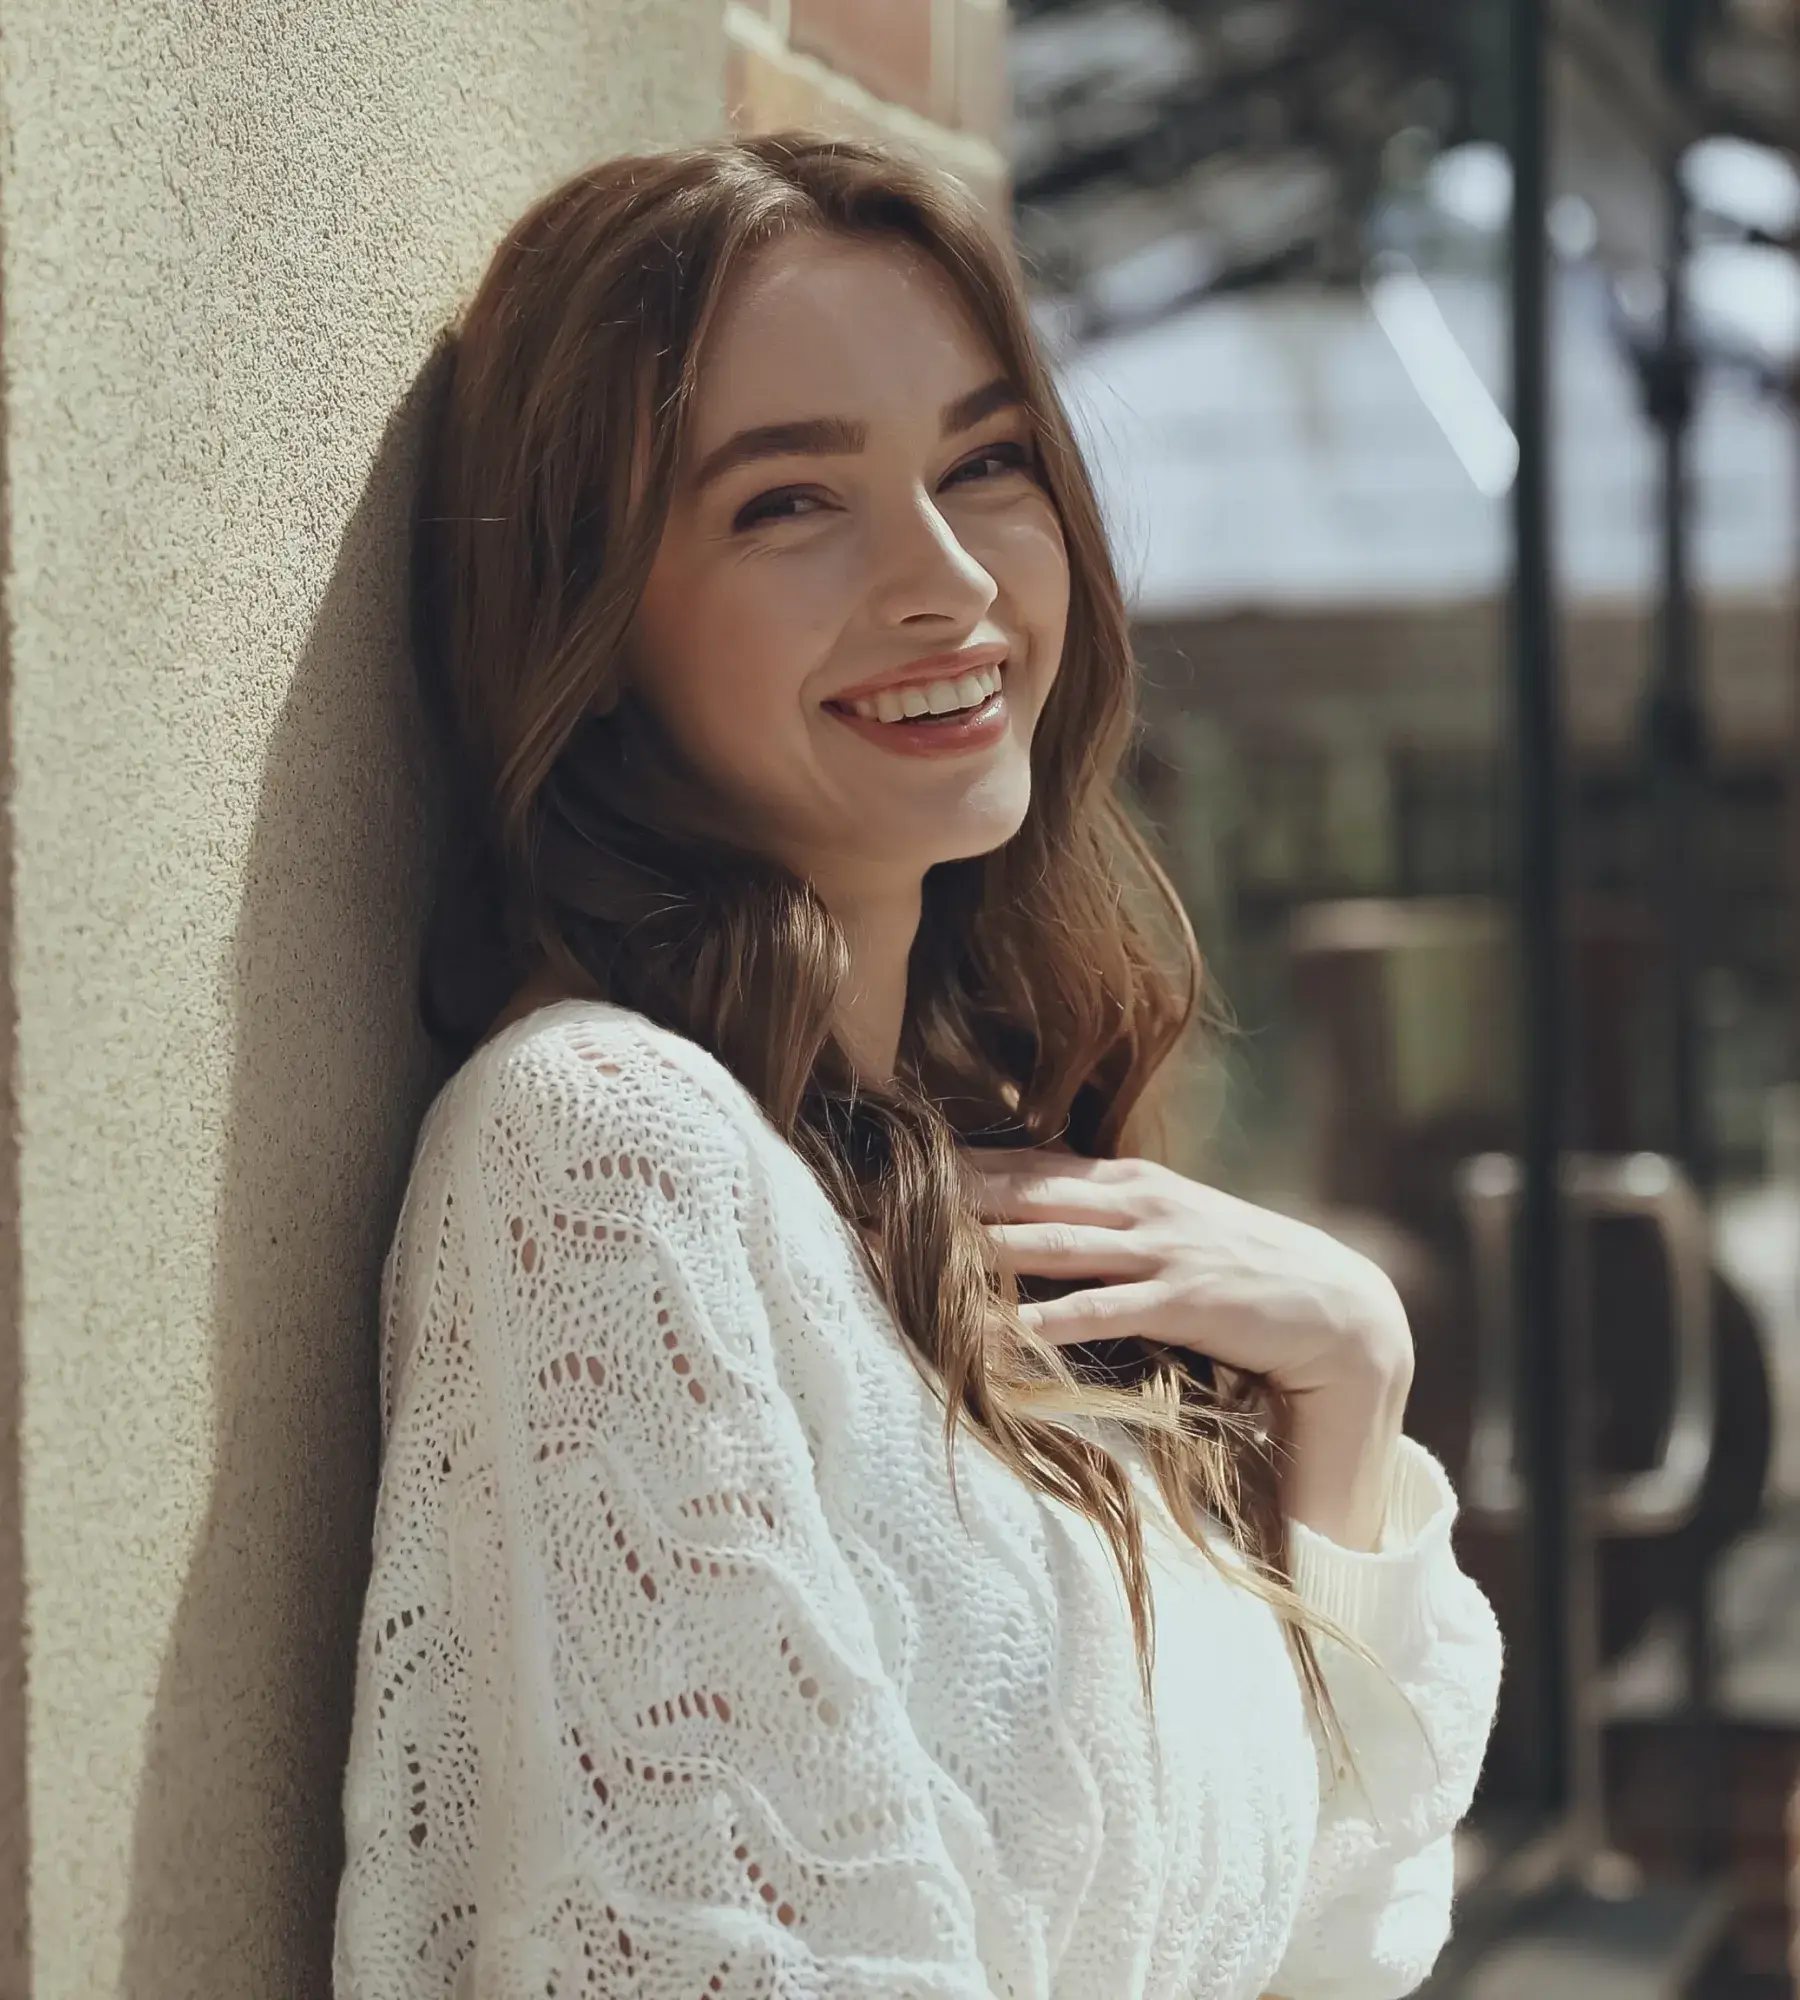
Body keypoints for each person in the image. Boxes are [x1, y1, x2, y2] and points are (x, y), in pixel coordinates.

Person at [333, 131, 1502, 2000]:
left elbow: (1327, 1945)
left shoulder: (972, 1197)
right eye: (789, 503)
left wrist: (1353, 1384)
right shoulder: (603, 1155)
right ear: (593, 624)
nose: (946, 578)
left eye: (985, 464)